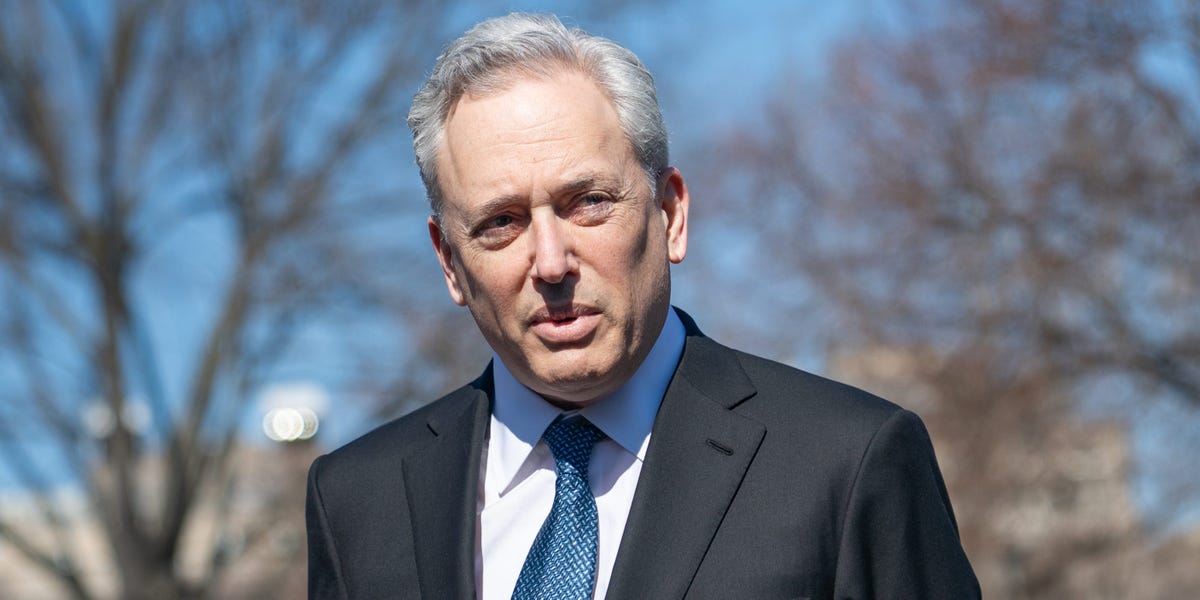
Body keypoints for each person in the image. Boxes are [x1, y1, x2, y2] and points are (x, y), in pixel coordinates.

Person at [305, 12, 979, 600]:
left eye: (589, 203)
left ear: (670, 214)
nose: (551, 263)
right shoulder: (358, 502)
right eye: (501, 222)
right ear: (450, 261)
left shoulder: (848, 460)